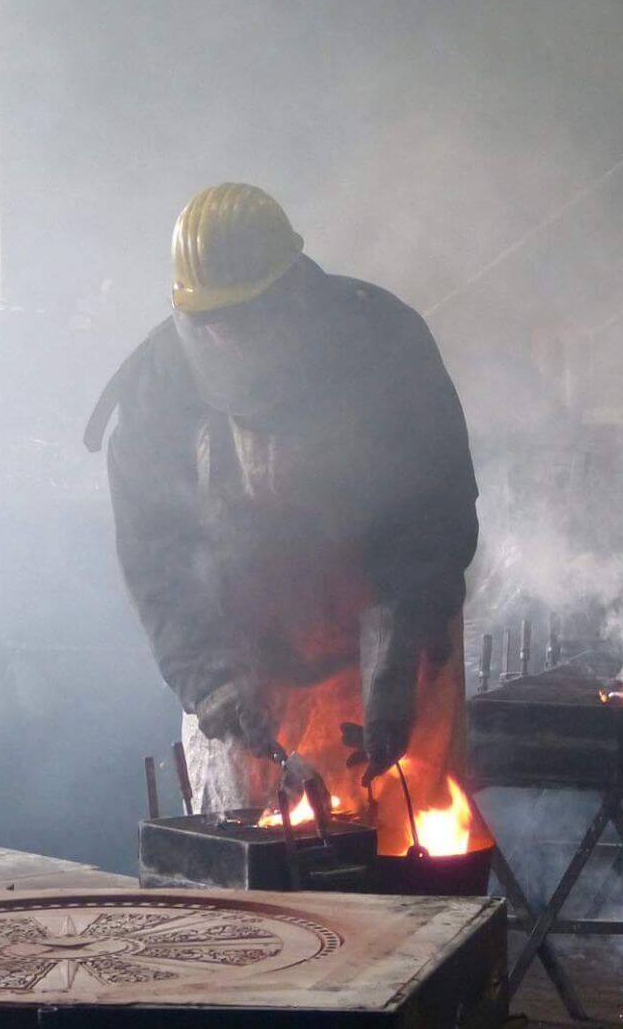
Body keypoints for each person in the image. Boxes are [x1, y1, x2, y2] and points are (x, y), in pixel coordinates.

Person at [87, 183, 478, 850]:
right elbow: (157, 563)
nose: (227, 340)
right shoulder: (157, 397)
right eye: (211, 324)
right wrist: (211, 682)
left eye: (247, 319)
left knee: (402, 863)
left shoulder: (383, 347)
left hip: (382, 642)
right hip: (248, 668)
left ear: (295, 293)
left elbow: (434, 511)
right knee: (261, 878)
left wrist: (395, 657)